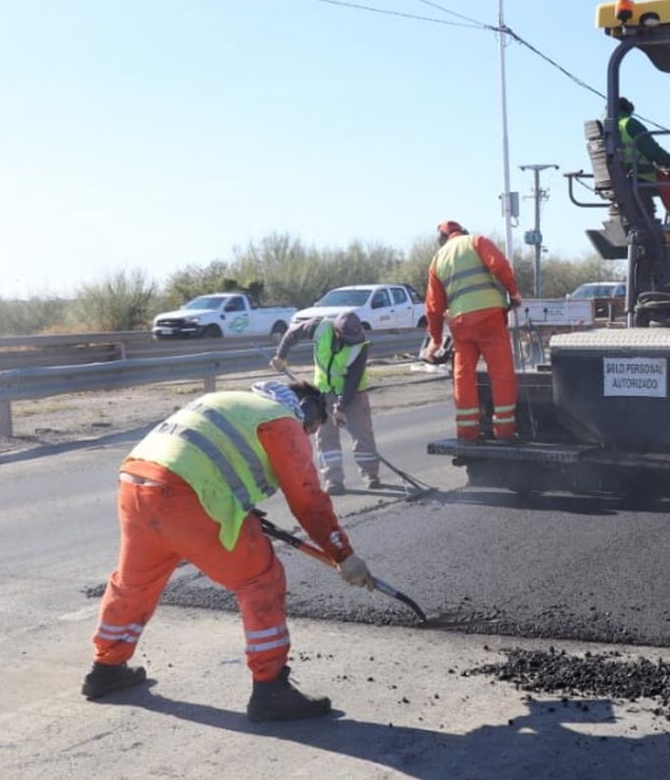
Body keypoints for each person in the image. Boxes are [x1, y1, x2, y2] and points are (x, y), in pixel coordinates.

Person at [82, 380, 376, 722]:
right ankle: (271, 689)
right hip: (185, 496)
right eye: (311, 428)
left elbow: (211, 456)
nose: (306, 436)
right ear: (307, 409)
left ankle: (106, 667)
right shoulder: (282, 420)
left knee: (135, 582)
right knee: (261, 579)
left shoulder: (230, 402)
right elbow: (309, 500)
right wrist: (343, 554)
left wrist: (238, 504)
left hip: (136, 484)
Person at [422, 220, 523, 441]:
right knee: (501, 372)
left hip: (460, 324)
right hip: (489, 318)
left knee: (463, 375)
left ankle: (467, 431)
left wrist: (436, 340)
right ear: (462, 232)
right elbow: (499, 266)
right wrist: (513, 293)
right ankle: (504, 430)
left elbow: (433, 307)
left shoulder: (437, 260)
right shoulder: (477, 241)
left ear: (442, 240)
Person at [272, 310, 380, 495]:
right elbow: (292, 333)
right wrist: (281, 356)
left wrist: (340, 407)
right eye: (348, 339)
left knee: (361, 434)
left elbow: (352, 381)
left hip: (353, 393)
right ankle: (333, 480)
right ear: (337, 332)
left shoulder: (360, 345)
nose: (351, 343)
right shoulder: (319, 327)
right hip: (323, 391)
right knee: (325, 436)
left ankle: (370, 475)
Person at [615, 96, 670, 223]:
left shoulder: (607, 126)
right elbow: (653, 152)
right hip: (640, 174)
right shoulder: (629, 123)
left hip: (621, 177)